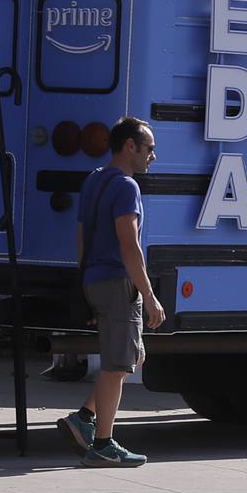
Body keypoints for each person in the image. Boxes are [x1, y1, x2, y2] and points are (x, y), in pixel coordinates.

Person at [59, 117, 162, 469]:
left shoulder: (94, 180)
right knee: (118, 365)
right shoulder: (126, 187)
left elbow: (81, 235)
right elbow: (129, 245)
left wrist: (85, 281)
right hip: (117, 281)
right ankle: (102, 443)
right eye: (149, 148)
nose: (153, 156)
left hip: (94, 278)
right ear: (129, 146)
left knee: (132, 356)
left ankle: (84, 418)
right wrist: (149, 295)